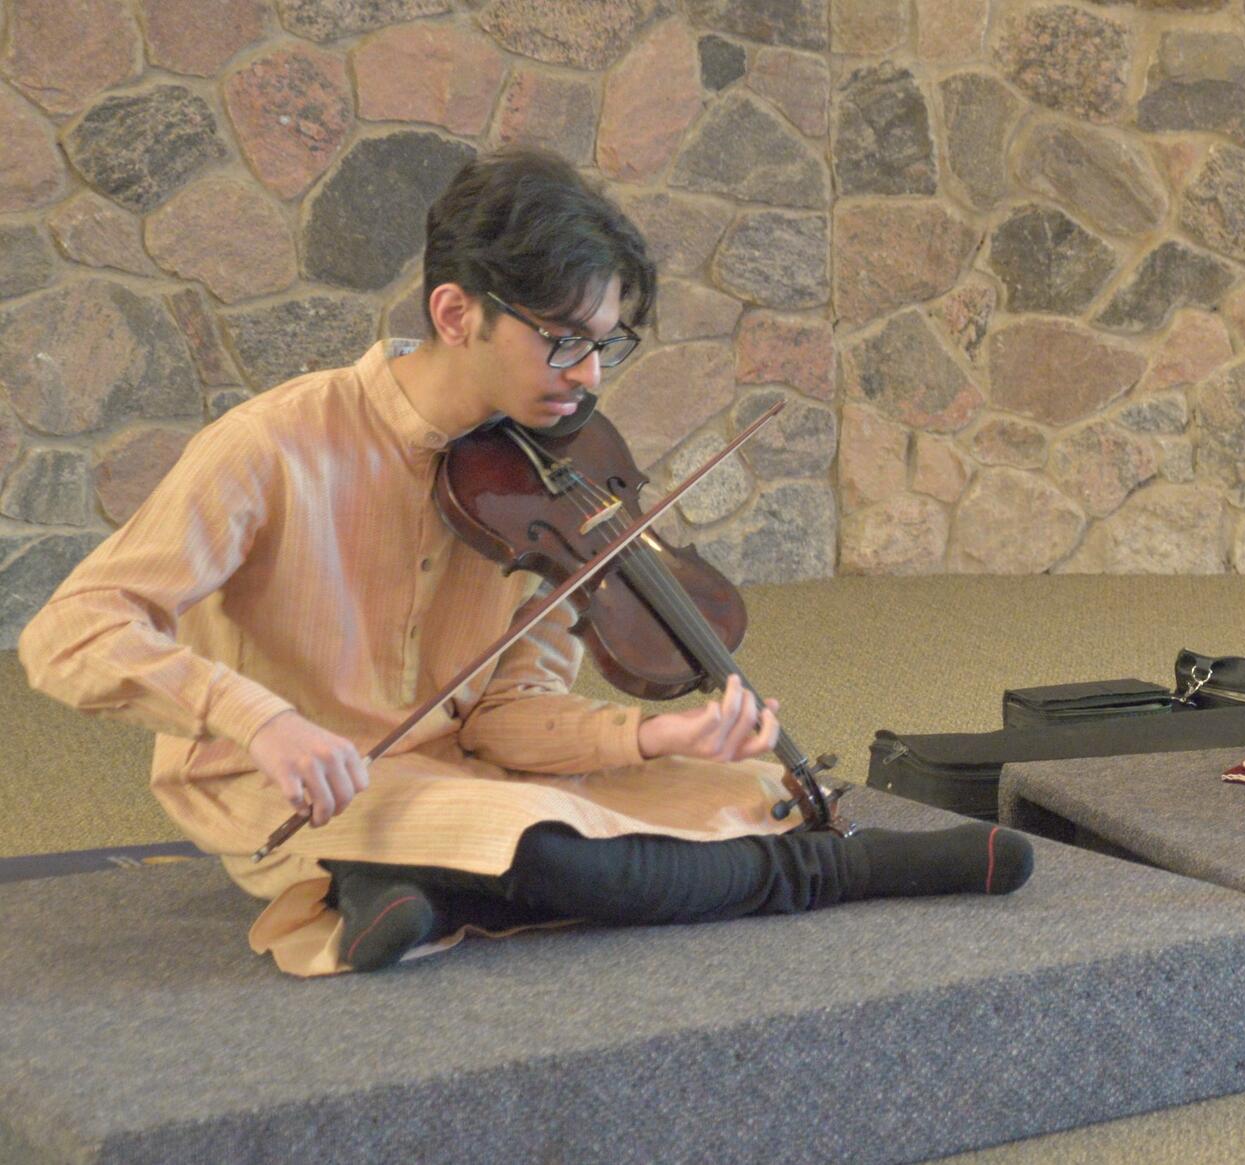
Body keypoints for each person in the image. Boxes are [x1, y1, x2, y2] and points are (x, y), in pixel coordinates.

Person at [20, 148, 1033, 976]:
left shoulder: (550, 480)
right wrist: (261, 718)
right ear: (457, 314)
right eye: (562, 341)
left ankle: (408, 891)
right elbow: (70, 633)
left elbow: (504, 713)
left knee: (719, 787)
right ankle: (831, 873)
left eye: (608, 343)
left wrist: (653, 735)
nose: (589, 377)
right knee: (554, 847)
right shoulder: (272, 446)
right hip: (285, 787)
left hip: (461, 773)